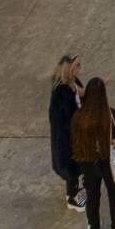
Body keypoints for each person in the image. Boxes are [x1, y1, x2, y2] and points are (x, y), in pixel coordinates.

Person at [71, 77, 115, 229]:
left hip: (87, 162)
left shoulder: (78, 117)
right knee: (114, 192)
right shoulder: (109, 115)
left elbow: (73, 140)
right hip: (108, 162)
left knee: (92, 195)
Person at [49, 54, 86, 211]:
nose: (80, 68)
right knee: (72, 169)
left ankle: (73, 191)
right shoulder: (60, 95)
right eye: (77, 66)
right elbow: (62, 122)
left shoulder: (73, 84)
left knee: (76, 167)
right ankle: (73, 198)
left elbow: (81, 94)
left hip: (76, 136)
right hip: (67, 140)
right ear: (69, 71)